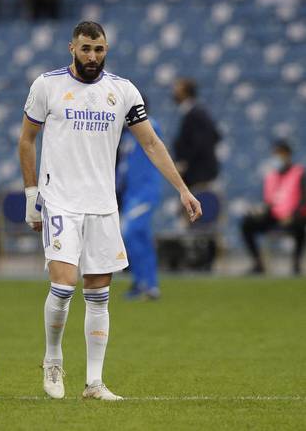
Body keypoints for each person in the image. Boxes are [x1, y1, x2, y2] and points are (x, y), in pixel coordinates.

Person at [18, 21, 202, 401]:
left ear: (107, 49)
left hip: (102, 206)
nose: (92, 56)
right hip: (60, 202)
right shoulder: (47, 85)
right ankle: (53, 359)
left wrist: (182, 189)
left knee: (99, 293)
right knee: (64, 284)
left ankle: (94, 383)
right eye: (86, 49)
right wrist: (31, 196)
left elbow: (151, 143)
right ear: (72, 48)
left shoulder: (122, 91)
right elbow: (27, 140)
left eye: (99, 49)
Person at [117, 97, 163, 300]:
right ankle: (146, 283)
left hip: (144, 191)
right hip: (130, 193)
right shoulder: (128, 135)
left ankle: (146, 282)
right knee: (140, 236)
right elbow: (124, 166)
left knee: (131, 233)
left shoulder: (149, 125)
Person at [241, 140, 306, 275]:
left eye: (280, 153)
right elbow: (269, 202)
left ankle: (296, 265)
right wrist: (260, 211)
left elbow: (303, 199)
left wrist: (292, 215)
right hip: (274, 216)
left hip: (293, 217)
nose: (277, 157)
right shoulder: (271, 176)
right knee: (247, 223)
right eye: (275, 154)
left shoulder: (299, 173)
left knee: (300, 226)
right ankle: (258, 263)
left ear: (287, 154)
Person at [172, 78, 222, 191]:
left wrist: (184, 162)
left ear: (185, 92)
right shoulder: (192, 113)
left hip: (199, 174)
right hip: (197, 173)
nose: (174, 92)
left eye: (177, 89)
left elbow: (205, 140)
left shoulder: (196, 113)